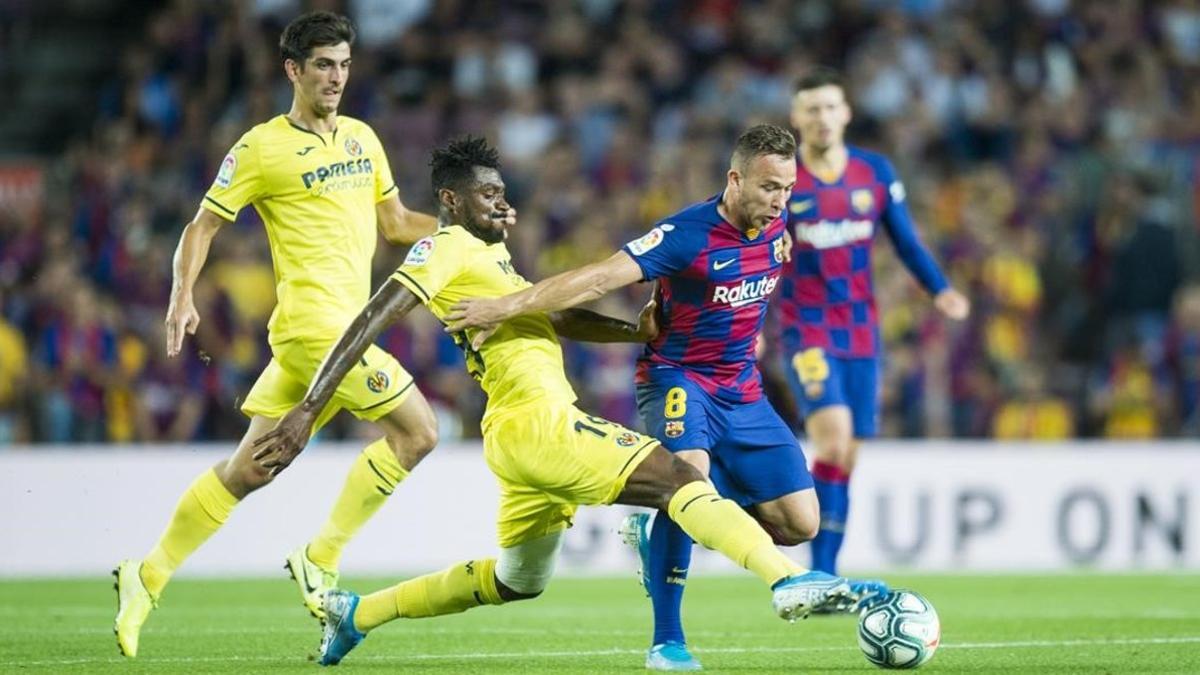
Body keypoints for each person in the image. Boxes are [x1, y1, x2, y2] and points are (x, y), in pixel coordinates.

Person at [251, 134, 860, 667]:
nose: (504, 203)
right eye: (489, 195)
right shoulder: (443, 248)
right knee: (678, 481)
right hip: (542, 425)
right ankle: (788, 579)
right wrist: (308, 407)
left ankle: (356, 615)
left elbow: (557, 315)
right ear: (452, 202)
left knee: (518, 580)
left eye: (504, 192)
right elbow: (374, 314)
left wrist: (629, 332)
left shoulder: (488, 258)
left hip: (517, 437)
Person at [442, 124, 882, 671]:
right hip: (678, 379)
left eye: (789, 189)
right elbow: (599, 278)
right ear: (735, 178)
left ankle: (663, 524)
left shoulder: (777, 225)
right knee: (687, 479)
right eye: (770, 187)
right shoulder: (684, 234)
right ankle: (666, 643)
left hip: (742, 390)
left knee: (801, 524)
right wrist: (505, 306)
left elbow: (762, 271)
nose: (780, 200)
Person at [113, 11, 456, 657]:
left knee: (250, 469)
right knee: (420, 431)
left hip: (323, 336)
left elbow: (396, 222)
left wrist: (463, 234)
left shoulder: (361, 137)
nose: (336, 77)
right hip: (317, 330)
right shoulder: (259, 147)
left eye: (345, 64)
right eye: (324, 64)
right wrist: (181, 295)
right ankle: (319, 557)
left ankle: (147, 573)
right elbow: (202, 225)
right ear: (293, 70)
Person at [779, 68, 969, 578]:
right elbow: (761, 254)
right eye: (811, 109)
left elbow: (905, 240)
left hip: (862, 330)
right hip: (807, 328)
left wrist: (940, 289)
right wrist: (749, 320)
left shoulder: (875, 172)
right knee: (833, 439)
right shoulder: (785, 181)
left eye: (829, 107)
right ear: (797, 118)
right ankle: (817, 575)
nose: (821, 117)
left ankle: (825, 574)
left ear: (846, 113)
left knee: (847, 458)